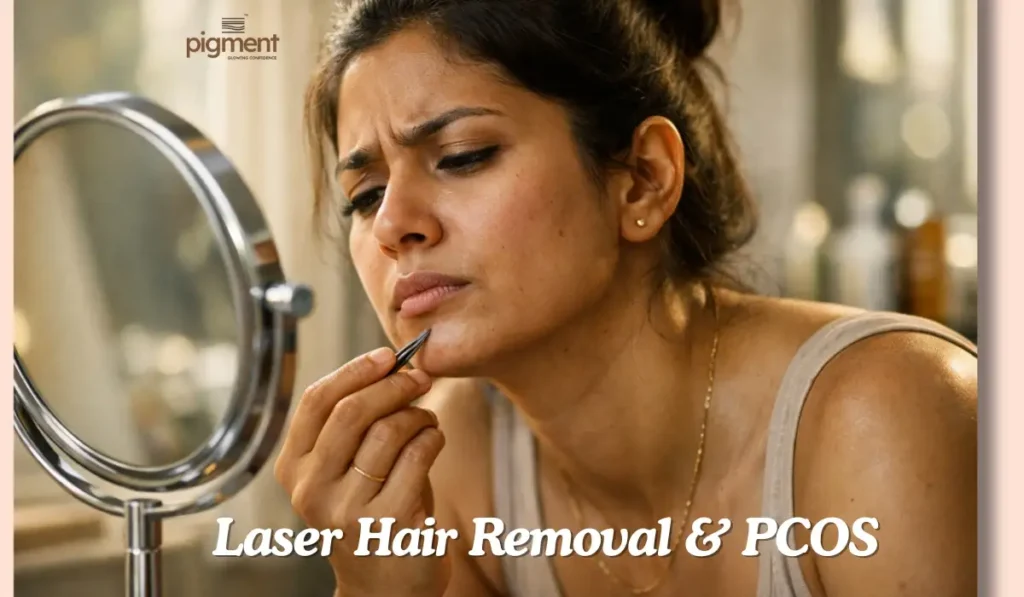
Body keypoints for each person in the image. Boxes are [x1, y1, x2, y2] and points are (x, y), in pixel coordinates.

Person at [273, 1, 978, 596]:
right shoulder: (451, 462)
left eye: (462, 156)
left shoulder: (888, 417)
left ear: (642, 179)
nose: (392, 225)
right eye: (364, 195)